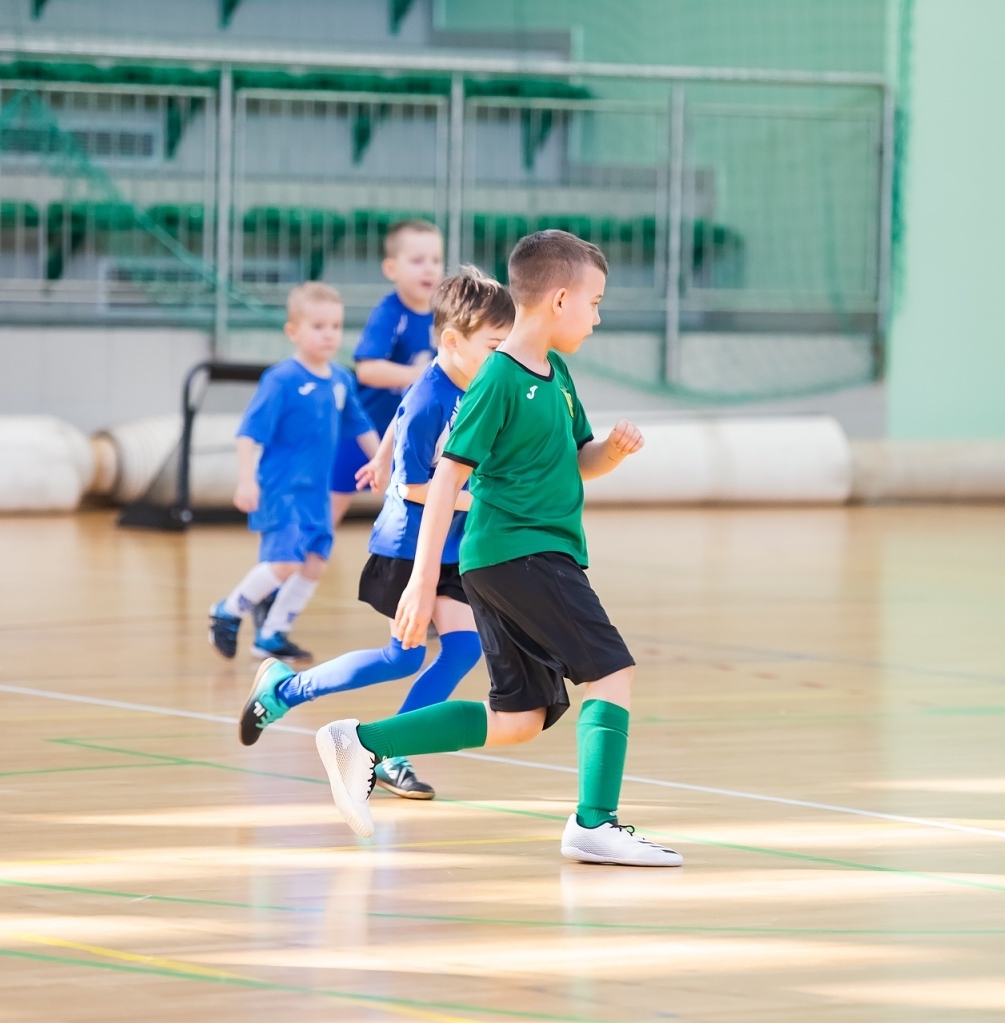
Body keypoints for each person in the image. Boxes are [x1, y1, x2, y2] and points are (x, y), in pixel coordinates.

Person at [313, 230, 682, 866]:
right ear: (560, 300)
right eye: (594, 302)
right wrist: (423, 580)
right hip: (520, 553)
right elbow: (446, 476)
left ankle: (360, 741)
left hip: (521, 557)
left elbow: (575, 460)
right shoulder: (498, 379)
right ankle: (595, 823)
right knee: (611, 671)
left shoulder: (556, 373)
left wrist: (612, 454)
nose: (597, 316)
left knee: (520, 718)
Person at [237, 267, 515, 803]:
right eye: (494, 345)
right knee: (403, 657)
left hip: (453, 544)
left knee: (462, 649)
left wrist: (384, 448)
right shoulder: (434, 395)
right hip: (410, 546)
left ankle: (388, 751)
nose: (502, 356)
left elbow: (408, 406)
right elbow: (415, 488)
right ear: (454, 341)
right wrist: (482, 498)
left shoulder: (466, 377)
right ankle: (287, 690)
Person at [208, 282, 377, 661]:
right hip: (281, 488)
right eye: (318, 326)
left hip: (316, 492)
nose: (329, 334)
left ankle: (271, 635)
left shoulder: (340, 379)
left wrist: (385, 462)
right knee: (285, 561)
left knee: (314, 563)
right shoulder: (281, 379)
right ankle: (228, 610)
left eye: (335, 325)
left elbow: (361, 424)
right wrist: (247, 478)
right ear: (293, 331)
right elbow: (248, 433)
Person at [326, 218, 442, 526]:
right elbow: (367, 370)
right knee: (333, 504)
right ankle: (300, 567)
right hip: (365, 428)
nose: (429, 268)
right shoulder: (389, 314)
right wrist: (419, 374)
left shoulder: (444, 313)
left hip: (410, 430)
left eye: (436, 260)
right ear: (391, 269)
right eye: (417, 261)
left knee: (416, 501)